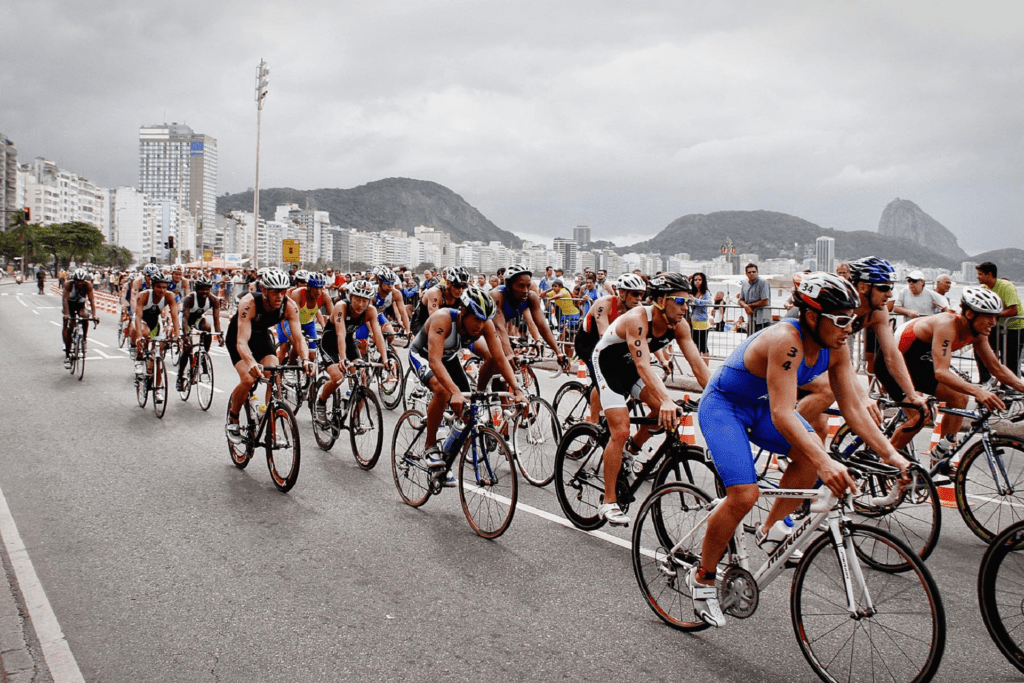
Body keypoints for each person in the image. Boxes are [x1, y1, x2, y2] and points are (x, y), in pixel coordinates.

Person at [694, 272, 911, 627]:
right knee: (744, 494)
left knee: (810, 455)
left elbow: (853, 408)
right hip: (726, 406)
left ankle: (770, 528)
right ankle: (703, 578)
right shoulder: (785, 339)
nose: (849, 329)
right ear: (812, 316)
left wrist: (893, 456)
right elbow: (783, 414)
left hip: (760, 405)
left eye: (853, 320)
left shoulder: (836, 347)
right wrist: (826, 463)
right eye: (841, 320)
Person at [591, 273, 712, 526]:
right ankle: (608, 502)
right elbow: (644, 366)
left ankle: (631, 451)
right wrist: (667, 398)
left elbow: (698, 366)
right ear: (659, 300)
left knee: (661, 413)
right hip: (609, 365)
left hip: (632, 368)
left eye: (687, 301)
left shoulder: (681, 325)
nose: (685, 307)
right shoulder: (637, 320)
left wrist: (718, 397)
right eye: (679, 301)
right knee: (620, 430)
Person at [876, 286, 1024, 459]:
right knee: (920, 417)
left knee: (959, 398)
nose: (993, 322)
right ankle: (887, 463)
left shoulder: (978, 333)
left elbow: (996, 368)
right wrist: (978, 390)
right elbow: (941, 372)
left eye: (996, 316)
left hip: (919, 362)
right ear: (970, 314)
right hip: (892, 362)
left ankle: (940, 456)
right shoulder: (947, 325)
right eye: (989, 316)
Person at [796, 256, 929, 443]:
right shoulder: (840, 303)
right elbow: (841, 360)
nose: (889, 294)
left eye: (891, 287)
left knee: (819, 429)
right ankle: (780, 434)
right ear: (863, 287)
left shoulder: (878, 311)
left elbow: (892, 354)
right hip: (796, 352)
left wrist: (912, 395)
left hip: (820, 354)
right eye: (883, 287)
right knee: (828, 391)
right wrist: (862, 397)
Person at [408, 287, 527, 480]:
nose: (480, 325)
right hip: (423, 355)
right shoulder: (443, 318)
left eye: (484, 320)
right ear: (463, 311)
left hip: (449, 356)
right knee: (443, 391)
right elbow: (435, 361)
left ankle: (444, 460)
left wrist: (518, 389)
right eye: (476, 319)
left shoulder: (485, 325)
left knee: (467, 410)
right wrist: (454, 390)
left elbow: (499, 358)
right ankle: (430, 446)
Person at [225, 269, 314, 441]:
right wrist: (251, 362)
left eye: (283, 291)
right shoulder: (249, 303)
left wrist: (305, 360)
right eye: (275, 291)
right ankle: (233, 417)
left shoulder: (289, 306)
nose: (279, 296)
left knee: (274, 373)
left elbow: (298, 337)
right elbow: (241, 342)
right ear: (264, 290)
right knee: (248, 379)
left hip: (261, 337)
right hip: (239, 337)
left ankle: (270, 418)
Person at [313, 279, 392, 423]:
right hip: (330, 342)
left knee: (362, 376)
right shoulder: (340, 306)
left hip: (349, 342)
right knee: (337, 377)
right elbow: (340, 334)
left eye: (365, 300)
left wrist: (385, 359)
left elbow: (378, 335)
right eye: (357, 299)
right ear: (350, 297)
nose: (361, 304)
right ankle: (321, 402)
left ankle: (356, 417)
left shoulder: (371, 310)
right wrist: (343, 359)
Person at [481, 265, 570, 389]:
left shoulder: (530, 297)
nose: (526, 290)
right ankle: (479, 397)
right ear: (508, 285)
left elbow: (541, 324)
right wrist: (509, 353)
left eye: (528, 286)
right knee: (495, 358)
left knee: (503, 367)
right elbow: (499, 327)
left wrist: (558, 352)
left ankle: (501, 402)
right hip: (477, 332)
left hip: (494, 332)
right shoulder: (497, 296)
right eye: (521, 286)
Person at [975, 261, 1022, 382]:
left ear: (989, 274)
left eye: (980, 274)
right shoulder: (985, 288)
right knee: (981, 347)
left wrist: (995, 315)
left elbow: (1013, 310)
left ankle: (1010, 384)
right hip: (998, 325)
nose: (977, 277)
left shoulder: (1006, 286)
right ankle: (986, 379)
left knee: (1010, 357)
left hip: (1015, 326)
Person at [175, 275, 224, 391]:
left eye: (207, 289)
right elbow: (185, 319)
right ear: (196, 289)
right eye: (202, 289)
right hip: (185, 320)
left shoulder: (214, 300)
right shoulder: (189, 298)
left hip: (197, 319)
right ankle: (180, 376)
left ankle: (203, 356)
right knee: (187, 348)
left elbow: (217, 320)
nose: (205, 292)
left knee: (207, 327)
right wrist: (186, 335)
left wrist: (220, 335)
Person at [132, 272, 180, 376]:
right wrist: (139, 337)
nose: (162, 290)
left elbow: (175, 318)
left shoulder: (169, 296)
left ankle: (152, 371)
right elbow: (138, 317)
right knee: (145, 334)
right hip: (142, 320)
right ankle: (139, 358)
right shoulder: (144, 295)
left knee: (160, 348)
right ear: (153, 286)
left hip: (155, 320)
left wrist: (177, 336)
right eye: (158, 287)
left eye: (164, 287)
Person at [409, 266, 469, 335]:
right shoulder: (435, 293)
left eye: (464, 286)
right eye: (457, 286)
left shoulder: (463, 294)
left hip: (443, 321)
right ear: (448, 283)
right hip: (422, 322)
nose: (461, 290)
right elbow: (435, 320)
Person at [62, 268, 98, 367]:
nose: (79, 283)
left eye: (81, 281)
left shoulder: (88, 285)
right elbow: (65, 299)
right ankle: (68, 356)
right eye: (78, 281)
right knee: (69, 326)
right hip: (69, 305)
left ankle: (84, 339)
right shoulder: (69, 284)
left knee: (86, 316)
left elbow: (92, 301)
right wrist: (66, 314)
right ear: (74, 280)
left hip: (80, 305)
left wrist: (94, 315)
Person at [738, 263, 771, 335]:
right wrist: (746, 306)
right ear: (746, 273)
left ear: (757, 272)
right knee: (750, 341)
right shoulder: (744, 284)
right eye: (749, 272)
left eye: (754, 271)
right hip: (751, 319)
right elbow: (740, 300)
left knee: (762, 342)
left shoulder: (763, 282)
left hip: (763, 319)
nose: (752, 273)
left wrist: (750, 306)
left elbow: (765, 301)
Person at [688, 272, 713, 362]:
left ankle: (705, 368)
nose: (697, 282)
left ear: (703, 281)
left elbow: (709, 302)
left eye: (699, 280)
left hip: (702, 321)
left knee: (703, 346)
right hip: (693, 320)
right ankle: (698, 367)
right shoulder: (692, 292)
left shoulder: (706, 292)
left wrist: (695, 300)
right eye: (695, 280)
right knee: (695, 346)